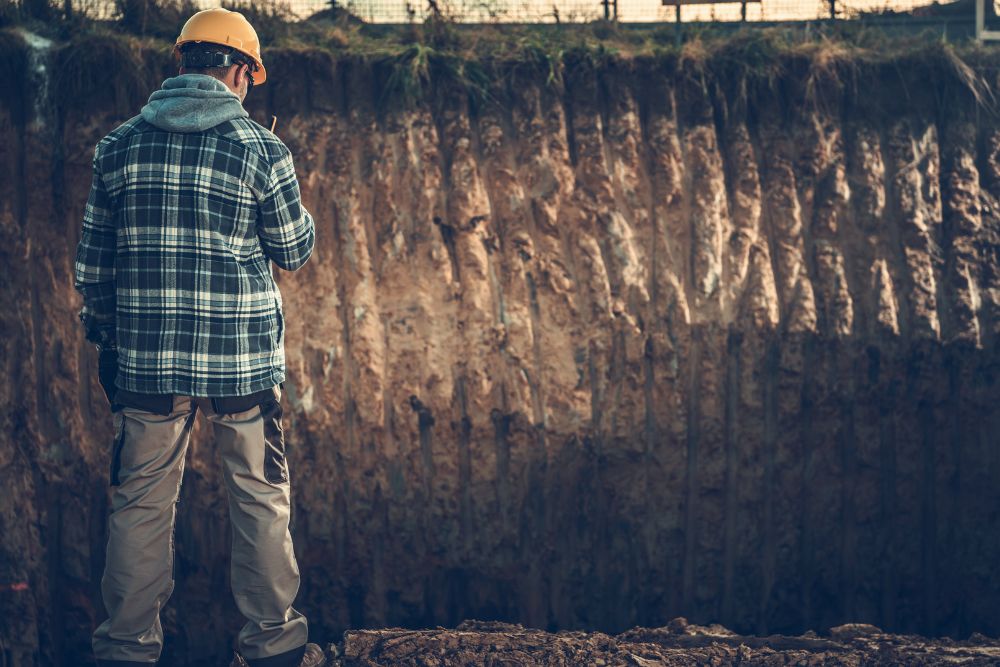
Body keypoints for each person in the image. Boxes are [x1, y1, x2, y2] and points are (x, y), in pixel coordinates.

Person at [73, 7, 323, 667]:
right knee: (259, 495)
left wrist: (107, 339)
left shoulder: (118, 145)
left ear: (181, 63)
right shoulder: (262, 149)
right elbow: (294, 249)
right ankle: (273, 645)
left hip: (146, 361)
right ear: (240, 70)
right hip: (242, 360)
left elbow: (93, 267)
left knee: (141, 501)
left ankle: (125, 647)